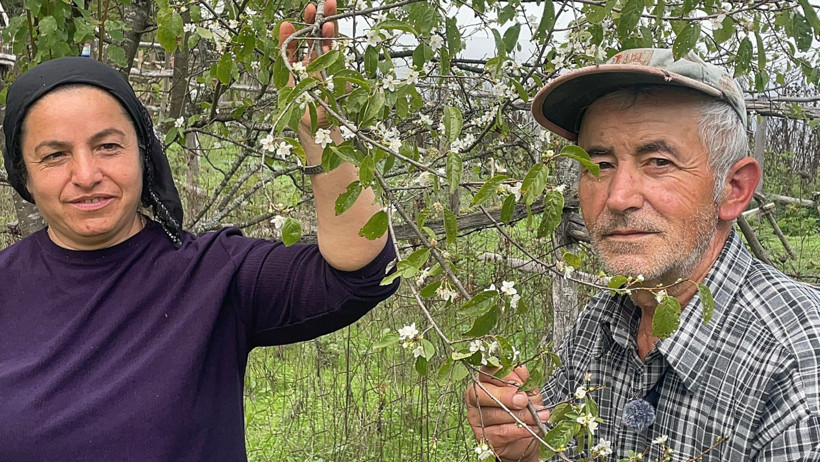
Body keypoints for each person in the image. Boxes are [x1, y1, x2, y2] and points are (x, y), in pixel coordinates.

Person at [0, 2, 398, 460]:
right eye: (55, 155)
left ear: (143, 155)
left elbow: (363, 273)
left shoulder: (213, 276)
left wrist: (320, 131)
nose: (87, 175)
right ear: (24, 175)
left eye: (108, 146)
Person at [466, 48, 820, 461]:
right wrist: (529, 449)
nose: (618, 197)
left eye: (658, 161)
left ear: (734, 189)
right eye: (600, 164)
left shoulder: (797, 364)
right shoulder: (600, 321)